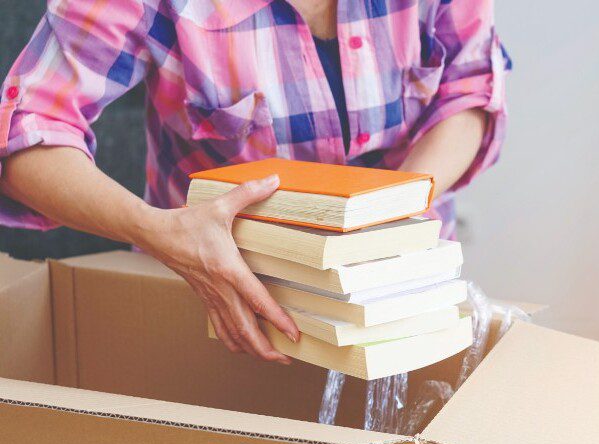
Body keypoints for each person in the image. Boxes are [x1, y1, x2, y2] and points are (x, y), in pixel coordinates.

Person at [0, 0, 509, 364]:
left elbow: (469, 89)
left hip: (405, 290)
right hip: (214, 304)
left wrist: (392, 210)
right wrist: (157, 229)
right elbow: (26, 134)